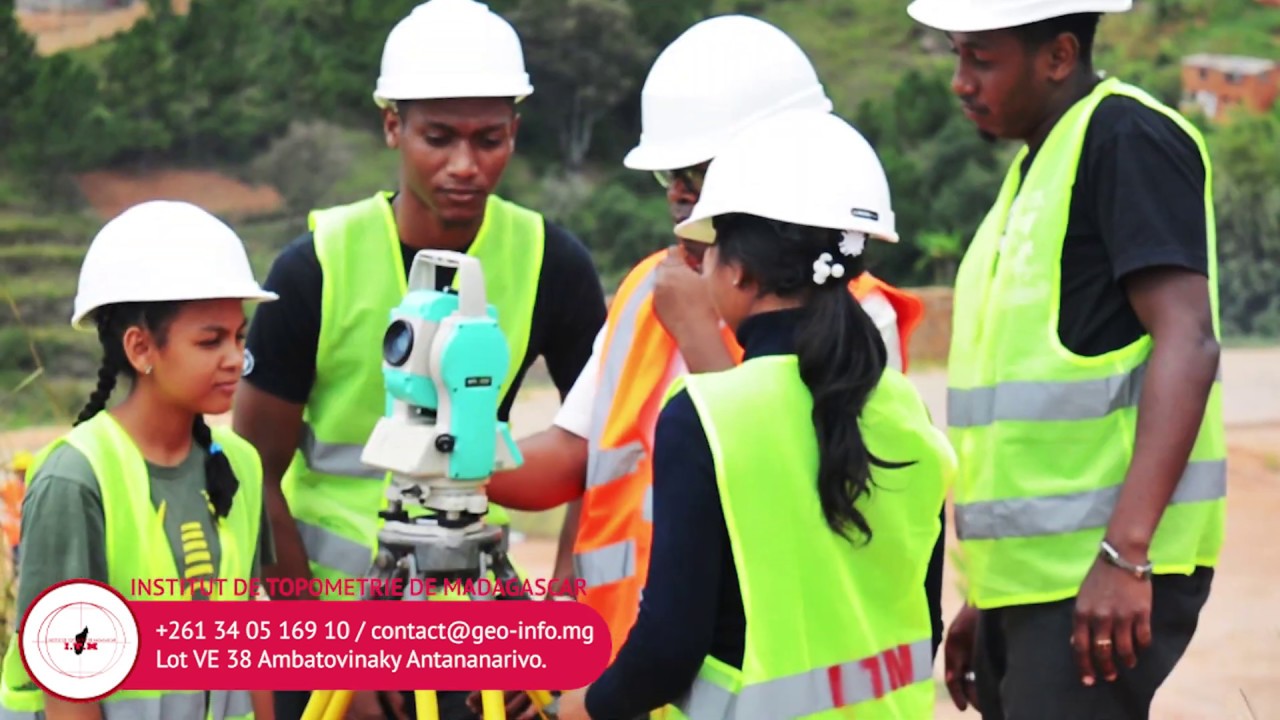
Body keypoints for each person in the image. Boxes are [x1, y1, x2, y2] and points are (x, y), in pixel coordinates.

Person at [482, 13, 945, 669]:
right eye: (667, 175)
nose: (677, 193)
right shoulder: (646, 289)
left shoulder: (856, 316)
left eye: (696, 172)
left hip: (741, 674)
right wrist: (459, 459)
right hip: (618, 669)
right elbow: (571, 456)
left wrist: (701, 334)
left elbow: (800, 491)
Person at [231, 1, 606, 718]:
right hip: (336, 632)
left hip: (472, 624)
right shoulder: (315, 267)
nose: (465, 165)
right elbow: (255, 475)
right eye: (438, 137)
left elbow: (606, 446)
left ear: (514, 131)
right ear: (392, 126)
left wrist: (554, 623)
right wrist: (323, 659)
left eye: (489, 139)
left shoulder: (551, 264)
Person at [550, 107, 954, 720]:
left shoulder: (706, 416)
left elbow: (668, 648)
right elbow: (924, 626)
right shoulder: (904, 408)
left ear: (737, 271)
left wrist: (584, 706)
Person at [904, 1, 1227, 718]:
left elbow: (1188, 340)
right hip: (1036, 585)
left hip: (1100, 572)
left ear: (1058, 56)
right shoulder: (1035, 171)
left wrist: (1126, 555)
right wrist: (990, 598)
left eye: (981, 58)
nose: (961, 81)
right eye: (957, 55)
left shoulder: (1127, 138)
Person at [0, 200, 278, 720]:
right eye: (210, 341)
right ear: (141, 348)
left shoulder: (240, 463)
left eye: (239, 337)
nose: (234, 358)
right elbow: (68, 686)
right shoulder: (75, 479)